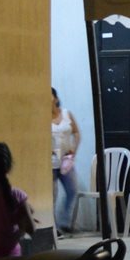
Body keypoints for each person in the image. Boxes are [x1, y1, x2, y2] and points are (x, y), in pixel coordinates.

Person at [50, 88, 80, 235]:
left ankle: (64, 222)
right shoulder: (42, 118)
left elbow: (76, 132)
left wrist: (74, 148)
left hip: (66, 160)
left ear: (55, 98)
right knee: (52, 195)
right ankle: (53, 227)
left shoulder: (66, 114)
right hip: (50, 162)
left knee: (72, 189)